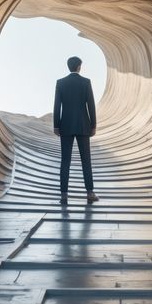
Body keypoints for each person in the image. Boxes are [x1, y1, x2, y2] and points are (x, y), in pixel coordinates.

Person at [53, 56, 99, 205]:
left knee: (65, 161)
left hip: (65, 126)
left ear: (69, 67)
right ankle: (90, 193)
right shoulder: (85, 82)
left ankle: (64, 195)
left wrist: (56, 125)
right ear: (79, 67)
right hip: (83, 126)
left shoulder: (60, 83)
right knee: (86, 161)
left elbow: (57, 106)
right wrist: (93, 125)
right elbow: (91, 105)